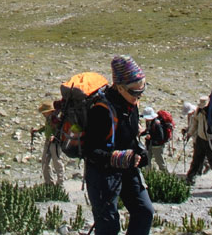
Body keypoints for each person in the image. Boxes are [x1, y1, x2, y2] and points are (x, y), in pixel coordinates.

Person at [83, 55, 153, 235]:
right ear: (120, 87)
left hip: (127, 169)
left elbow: (130, 139)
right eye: (135, 92)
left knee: (145, 212)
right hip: (101, 175)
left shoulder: (131, 105)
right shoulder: (101, 110)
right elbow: (89, 150)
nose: (139, 96)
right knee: (108, 226)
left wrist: (140, 153)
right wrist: (119, 158)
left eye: (142, 90)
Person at [184, 96, 212, 186]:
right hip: (200, 138)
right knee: (196, 159)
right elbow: (195, 123)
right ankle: (190, 178)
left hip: (211, 139)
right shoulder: (198, 111)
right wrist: (190, 133)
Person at [32, 100, 66, 185]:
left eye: (44, 112)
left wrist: (54, 136)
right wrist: (38, 130)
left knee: (57, 162)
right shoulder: (49, 118)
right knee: (44, 162)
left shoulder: (55, 119)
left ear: (49, 111)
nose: (43, 114)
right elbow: (47, 127)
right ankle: (49, 182)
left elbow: (60, 130)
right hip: (48, 141)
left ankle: (60, 183)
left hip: (55, 142)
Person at [139, 107, 172, 172]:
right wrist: (141, 134)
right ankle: (148, 175)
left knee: (159, 161)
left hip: (157, 146)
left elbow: (161, 137)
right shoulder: (149, 122)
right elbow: (148, 131)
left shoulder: (157, 124)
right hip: (150, 144)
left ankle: (166, 174)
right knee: (147, 160)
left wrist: (151, 137)